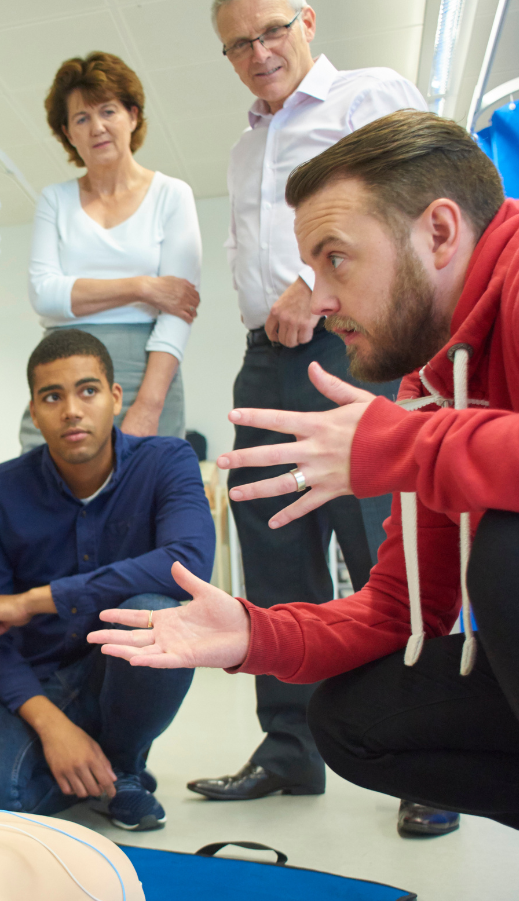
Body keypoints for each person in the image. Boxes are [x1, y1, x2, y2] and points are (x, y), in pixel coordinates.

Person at [88, 109, 519, 901]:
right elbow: (397, 614)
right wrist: (249, 635)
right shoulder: (439, 381)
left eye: (335, 258)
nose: (317, 294)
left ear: (437, 231)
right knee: (362, 715)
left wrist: (410, 449)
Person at [191, 0, 450, 838]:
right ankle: (289, 747)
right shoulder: (243, 148)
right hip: (263, 355)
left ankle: (429, 761)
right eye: (237, 44)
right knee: (271, 547)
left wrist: (320, 284)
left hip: (352, 346)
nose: (258, 52)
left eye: (271, 30)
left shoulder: (368, 97)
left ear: (307, 18)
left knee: (385, 546)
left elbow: (429, 202)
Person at [0, 329, 214, 830]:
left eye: (87, 391)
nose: (72, 409)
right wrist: (50, 725)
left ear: (114, 398)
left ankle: (125, 761)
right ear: (34, 411)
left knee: (157, 614)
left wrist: (39, 600)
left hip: (121, 670)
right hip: (37, 681)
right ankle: (102, 770)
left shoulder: (165, 463)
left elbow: (190, 563)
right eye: (53, 396)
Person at [23, 52, 201, 451]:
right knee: (46, 495)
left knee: (146, 498)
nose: (97, 127)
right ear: (68, 133)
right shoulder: (54, 200)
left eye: (108, 111)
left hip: (150, 370)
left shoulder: (172, 195)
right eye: (81, 119)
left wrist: (149, 405)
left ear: (133, 116)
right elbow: (44, 296)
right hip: (62, 367)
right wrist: (142, 287)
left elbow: (179, 308)